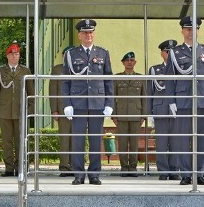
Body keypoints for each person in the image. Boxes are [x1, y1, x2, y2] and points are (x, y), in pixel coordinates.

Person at [163, 16, 204, 186]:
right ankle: (186, 173)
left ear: (198, 30)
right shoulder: (175, 52)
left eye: (194, 28)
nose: (190, 32)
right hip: (183, 101)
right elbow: (169, 79)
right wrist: (171, 101)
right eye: (187, 28)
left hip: (203, 100)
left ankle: (199, 173)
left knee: (201, 138)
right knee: (183, 139)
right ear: (182, 30)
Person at [62, 18, 114, 185]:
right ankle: (78, 174)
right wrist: (67, 103)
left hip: (97, 103)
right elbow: (65, 81)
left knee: (95, 140)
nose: (88, 35)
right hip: (78, 103)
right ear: (79, 35)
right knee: (77, 140)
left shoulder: (102, 53)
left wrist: (109, 103)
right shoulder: (71, 54)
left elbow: (108, 80)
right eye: (85, 32)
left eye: (90, 32)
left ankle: (94, 174)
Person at [0, 41, 34, 177]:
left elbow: (31, 93)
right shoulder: (0, 71)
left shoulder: (25, 71)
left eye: (16, 54)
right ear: (7, 56)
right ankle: (9, 168)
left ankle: (22, 167)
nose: (14, 57)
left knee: (21, 141)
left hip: (21, 111)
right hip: (5, 112)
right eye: (11, 55)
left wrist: (29, 110)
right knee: (7, 142)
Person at [148, 39, 178, 180]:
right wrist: (150, 114)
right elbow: (150, 93)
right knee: (161, 143)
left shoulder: (180, 69)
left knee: (176, 142)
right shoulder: (155, 70)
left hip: (176, 110)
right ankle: (163, 171)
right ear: (162, 53)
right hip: (160, 110)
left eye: (172, 51)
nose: (170, 54)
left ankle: (174, 170)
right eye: (167, 51)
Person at [113, 51, 146, 177]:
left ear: (135, 62)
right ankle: (123, 167)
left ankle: (132, 167)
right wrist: (114, 115)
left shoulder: (141, 78)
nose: (129, 62)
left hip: (136, 115)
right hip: (121, 115)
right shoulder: (117, 78)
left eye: (132, 60)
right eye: (127, 60)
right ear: (123, 63)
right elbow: (112, 97)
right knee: (122, 142)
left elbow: (145, 97)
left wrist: (143, 115)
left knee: (134, 142)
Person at [49, 46, 74, 177]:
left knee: (77, 139)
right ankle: (64, 166)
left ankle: (76, 166)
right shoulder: (57, 69)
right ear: (63, 55)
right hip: (62, 109)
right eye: (66, 54)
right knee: (64, 139)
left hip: (78, 109)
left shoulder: (79, 68)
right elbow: (53, 90)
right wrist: (54, 110)